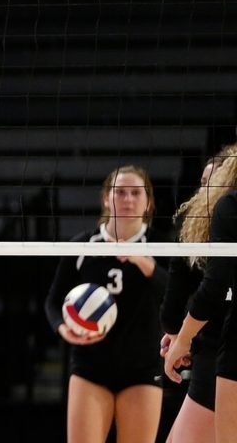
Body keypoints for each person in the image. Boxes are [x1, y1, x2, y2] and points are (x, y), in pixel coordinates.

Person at [45, 164, 167, 443]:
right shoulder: (84, 245)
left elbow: (177, 297)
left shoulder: (162, 246)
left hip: (142, 369)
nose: (127, 199)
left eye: (136, 193)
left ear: (148, 202)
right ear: (105, 198)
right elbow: (53, 301)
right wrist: (63, 328)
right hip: (91, 368)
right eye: (120, 192)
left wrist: (145, 264)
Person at [158, 147, 236, 443]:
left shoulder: (223, 213)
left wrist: (182, 337)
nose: (205, 191)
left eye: (211, 183)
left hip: (220, 352)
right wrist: (178, 335)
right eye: (203, 183)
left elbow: (209, 291)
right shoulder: (193, 231)